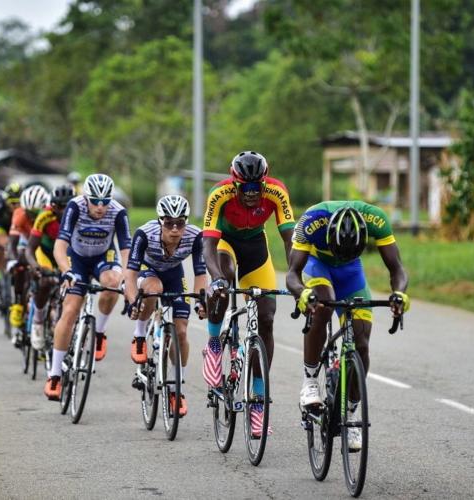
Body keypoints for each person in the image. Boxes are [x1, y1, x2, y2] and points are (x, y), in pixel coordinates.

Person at [285, 202, 409, 451]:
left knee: (361, 341)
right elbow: (292, 274)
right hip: (317, 264)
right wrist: (302, 294)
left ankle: (351, 413)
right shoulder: (312, 221)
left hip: (351, 272)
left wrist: (399, 294)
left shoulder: (377, 219)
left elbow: (397, 269)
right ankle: (310, 380)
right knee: (323, 306)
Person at [202, 151, 295, 437]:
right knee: (225, 278)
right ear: (235, 183)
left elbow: (290, 240)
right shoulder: (220, 194)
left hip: (256, 247)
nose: (253, 194)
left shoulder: (276, 192)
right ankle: (215, 343)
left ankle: (258, 400)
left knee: (266, 316)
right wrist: (216, 279)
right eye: (247, 188)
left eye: (258, 187)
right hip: (224, 245)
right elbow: (207, 246)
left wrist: (296, 277)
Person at [44, 174, 131, 400]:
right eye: (95, 201)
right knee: (71, 309)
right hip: (77, 258)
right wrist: (67, 271)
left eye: (105, 201)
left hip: (104, 255)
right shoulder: (75, 207)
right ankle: (54, 374)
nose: (100, 207)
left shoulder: (118, 211)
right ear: (86, 197)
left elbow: (126, 251)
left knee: (112, 283)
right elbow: (60, 247)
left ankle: (99, 332)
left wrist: (127, 278)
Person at [124, 195, 207, 417]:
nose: (174, 229)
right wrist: (133, 301)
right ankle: (140, 335)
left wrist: (201, 300)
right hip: (147, 270)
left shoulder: (195, 236)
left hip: (174, 274)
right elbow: (130, 275)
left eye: (180, 223)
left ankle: (176, 388)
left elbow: (200, 274)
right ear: (160, 221)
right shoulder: (144, 234)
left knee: (181, 331)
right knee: (154, 288)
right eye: (169, 223)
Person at [25, 184, 74, 350]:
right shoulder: (44, 216)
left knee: (72, 285)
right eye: (60, 207)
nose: (64, 211)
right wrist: (35, 267)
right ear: (53, 206)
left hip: (66, 254)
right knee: (45, 282)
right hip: (45, 253)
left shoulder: (79, 217)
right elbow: (30, 248)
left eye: (68, 206)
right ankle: (38, 321)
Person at [7, 184, 50, 347]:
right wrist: (14, 260)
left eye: (35, 213)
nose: (32, 217)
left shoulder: (48, 214)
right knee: (19, 266)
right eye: (29, 213)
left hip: (43, 244)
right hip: (26, 242)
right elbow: (12, 244)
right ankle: (18, 303)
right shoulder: (19, 215)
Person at [0, 183, 22, 295]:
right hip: (1, 228)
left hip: (17, 229)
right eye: (12, 202)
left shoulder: (24, 210)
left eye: (18, 203)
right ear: (6, 200)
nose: (15, 206)